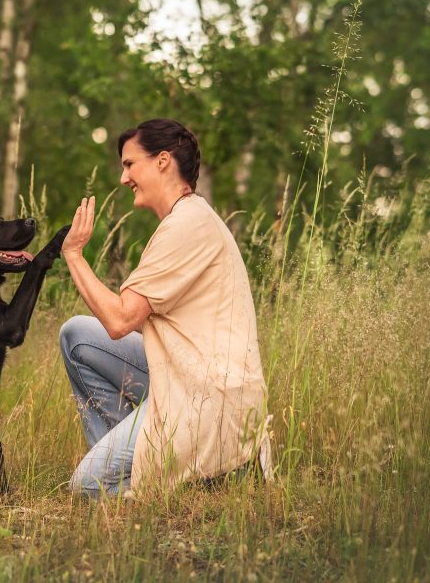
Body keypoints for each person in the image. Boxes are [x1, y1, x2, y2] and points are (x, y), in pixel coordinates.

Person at [58, 118, 271, 498]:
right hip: (183, 377)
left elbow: (121, 319)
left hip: (211, 399)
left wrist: (74, 254)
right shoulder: (186, 220)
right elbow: (136, 321)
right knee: (76, 335)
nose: (124, 179)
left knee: (86, 486)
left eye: (129, 164)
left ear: (162, 161)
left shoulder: (187, 224)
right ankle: (144, 465)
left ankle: (172, 484)